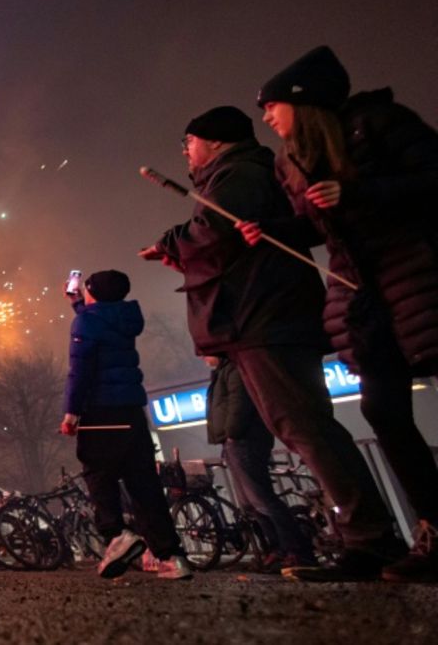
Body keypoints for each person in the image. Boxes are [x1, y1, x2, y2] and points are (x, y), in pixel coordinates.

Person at [139, 103, 401, 582]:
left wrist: (175, 242)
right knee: (301, 428)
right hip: (260, 320)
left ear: (215, 141)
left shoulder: (238, 175)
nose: (185, 152)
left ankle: (371, 539)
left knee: (305, 427)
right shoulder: (242, 174)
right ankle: (366, 536)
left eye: (190, 141)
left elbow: (212, 233)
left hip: (265, 320)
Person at [243, 45, 438, 582]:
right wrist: (274, 232)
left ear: (303, 102)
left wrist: (358, 191)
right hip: (366, 298)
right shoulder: (292, 161)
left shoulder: (375, 124)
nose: (266, 116)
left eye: (272, 104)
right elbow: (318, 227)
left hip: (417, 277)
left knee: (387, 410)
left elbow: (430, 179)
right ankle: (432, 530)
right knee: (385, 411)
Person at [60, 270, 192, 580]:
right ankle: (171, 556)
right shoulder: (125, 318)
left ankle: (117, 534)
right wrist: (80, 306)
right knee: (144, 482)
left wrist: (70, 413)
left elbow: (80, 371)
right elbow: (101, 324)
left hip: (100, 411)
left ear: (92, 291)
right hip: (132, 410)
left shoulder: (87, 323)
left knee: (97, 472)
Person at [204, 355, 316, 571]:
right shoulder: (224, 372)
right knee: (251, 503)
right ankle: (277, 549)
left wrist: (232, 433)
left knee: (262, 499)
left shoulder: (234, 370)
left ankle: (296, 549)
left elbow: (239, 403)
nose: (203, 358)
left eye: (206, 353)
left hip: (244, 440)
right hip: (235, 442)